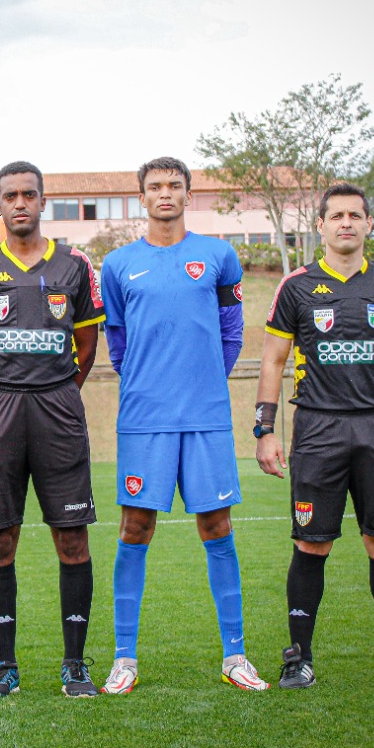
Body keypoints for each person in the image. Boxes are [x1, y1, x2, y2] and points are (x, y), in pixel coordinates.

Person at [98, 156, 268, 695]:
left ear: (188, 194)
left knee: (217, 527)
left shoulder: (218, 255)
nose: (165, 193)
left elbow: (232, 331)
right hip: (144, 419)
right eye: (155, 187)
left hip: (206, 418)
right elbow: (119, 343)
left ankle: (235, 655)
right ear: (142, 198)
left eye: (174, 185)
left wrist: (200, 384)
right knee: (135, 529)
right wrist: (154, 385)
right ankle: (125, 658)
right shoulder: (118, 264)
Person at [255, 182, 374, 689]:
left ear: (369, 224)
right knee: (311, 545)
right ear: (322, 226)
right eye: (337, 216)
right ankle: (299, 658)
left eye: (356, 215)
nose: (347, 223)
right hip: (318, 429)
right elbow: (273, 360)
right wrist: (264, 429)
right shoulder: (296, 286)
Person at [0, 160, 105, 698]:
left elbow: (86, 347)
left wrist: (57, 390)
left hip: (59, 412)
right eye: (9, 196)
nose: (20, 203)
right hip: (0, 414)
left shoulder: (75, 266)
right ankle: (4, 666)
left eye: (29, 194)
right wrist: (2, 396)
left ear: (44, 202)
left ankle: (74, 663)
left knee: (71, 537)